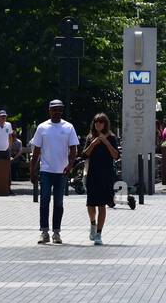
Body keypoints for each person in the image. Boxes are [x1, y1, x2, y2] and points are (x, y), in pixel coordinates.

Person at [30, 99, 80, 245]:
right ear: (49, 110)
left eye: (59, 109)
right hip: (46, 170)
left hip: (61, 171)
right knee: (44, 201)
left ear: (62, 111)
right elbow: (37, 150)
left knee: (59, 203)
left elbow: (73, 149)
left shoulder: (68, 127)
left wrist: (70, 165)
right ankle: (44, 232)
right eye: (54, 109)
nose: (57, 112)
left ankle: (56, 232)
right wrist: (32, 170)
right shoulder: (42, 127)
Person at [82, 113, 120, 244]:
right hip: (93, 174)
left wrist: (105, 141)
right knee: (91, 203)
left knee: (102, 204)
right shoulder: (90, 137)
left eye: (101, 122)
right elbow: (84, 154)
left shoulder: (112, 137)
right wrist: (94, 143)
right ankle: (93, 223)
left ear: (105, 124)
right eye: (96, 122)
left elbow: (116, 156)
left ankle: (98, 233)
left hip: (106, 175)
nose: (98, 124)